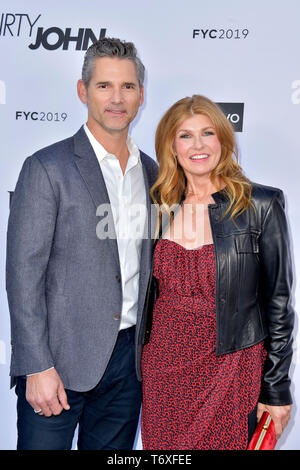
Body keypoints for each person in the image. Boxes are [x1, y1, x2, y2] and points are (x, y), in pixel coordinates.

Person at [6, 37, 158, 450]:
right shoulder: (46, 167)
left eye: (127, 87)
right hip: (56, 366)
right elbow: (23, 275)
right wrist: (36, 365)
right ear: (82, 90)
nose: (117, 98)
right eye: (104, 86)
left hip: (127, 367)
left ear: (141, 95)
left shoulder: (152, 172)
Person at [141, 95, 294, 450]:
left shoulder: (261, 205)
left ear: (223, 140)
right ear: (170, 146)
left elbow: (279, 304)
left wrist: (276, 388)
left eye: (207, 133)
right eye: (185, 135)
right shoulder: (156, 206)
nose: (198, 145)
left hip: (232, 366)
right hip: (163, 368)